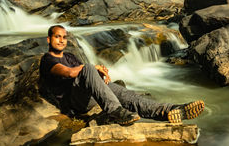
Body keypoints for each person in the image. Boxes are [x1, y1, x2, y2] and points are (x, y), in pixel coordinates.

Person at [39, 25, 205, 125]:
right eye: (57, 37)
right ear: (49, 40)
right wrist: (92, 69)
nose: (61, 40)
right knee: (89, 67)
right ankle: (116, 112)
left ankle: (169, 110)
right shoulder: (48, 60)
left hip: (86, 94)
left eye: (64, 37)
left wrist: (99, 76)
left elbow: (84, 75)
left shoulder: (70, 56)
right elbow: (69, 72)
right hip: (73, 103)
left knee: (127, 95)